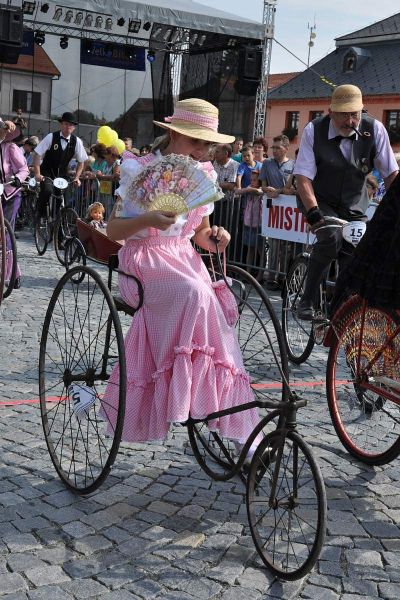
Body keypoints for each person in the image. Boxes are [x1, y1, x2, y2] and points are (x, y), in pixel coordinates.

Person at [102, 98, 261, 445]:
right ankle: (187, 394)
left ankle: (231, 417)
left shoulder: (203, 174)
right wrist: (146, 219)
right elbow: (113, 231)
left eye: (207, 144)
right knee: (196, 293)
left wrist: (216, 237)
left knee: (210, 306)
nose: (201, 151)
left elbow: (201, 233)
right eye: (194, 141)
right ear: (173, 134)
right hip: (144, 259)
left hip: (184, 259)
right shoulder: (138, 169)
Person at [294, 84, 398, 320]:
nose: (350, 121)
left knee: (356, 255)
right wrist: (313, 213)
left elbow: (391, 175)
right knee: (330, 238)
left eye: (355, 114)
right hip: (319, 199)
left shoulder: (375, 129)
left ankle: (340, 312)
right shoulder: (314, 129)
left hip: (354, 203)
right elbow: (303, 177)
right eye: (343, 115)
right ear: (331, 111)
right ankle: (307, 300)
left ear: (362, 110)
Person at [33, 111, 88, 219]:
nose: (68, 127)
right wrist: (37, 173)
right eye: (65, 124)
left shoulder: (77, 141)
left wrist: (77, 177)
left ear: (74, 127)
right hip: (47, 172)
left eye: (71, 125)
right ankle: (39, 212)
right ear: (61, 124)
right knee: (47, 191)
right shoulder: (51, 137)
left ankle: (56, 223)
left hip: (62, 174)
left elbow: (81, 161)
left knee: (62, 198)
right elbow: (37, 154)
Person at [260, 134, 296, 289]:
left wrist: (279, 191)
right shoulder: (267, 163)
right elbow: (262, 185)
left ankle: (284, 278)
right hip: (273, 211)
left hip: (289, 211)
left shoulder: (293, 165)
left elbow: (293, 188)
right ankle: (271, 278)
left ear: (286, 148)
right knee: (274, 245)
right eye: (273, 147)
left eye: (277, 147)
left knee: (287, 247)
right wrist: (266, 189)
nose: (274, 150)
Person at [0, 117, 29, 288]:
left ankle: (12, 273)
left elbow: (24, 169)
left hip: (9, 193)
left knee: (5, 231)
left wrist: (18, 178)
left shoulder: (10, 147)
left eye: (3, 130)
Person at [242, 169, 265, 281]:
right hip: (248, 223)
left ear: (260, 181)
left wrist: (244, 190)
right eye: (251, 180)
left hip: (259, 224)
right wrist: (244, 189)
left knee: (261, 250)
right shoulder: (249, 188)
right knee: (250, 249)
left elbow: (258, 192)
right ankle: (248, 273)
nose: (251, 182)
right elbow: (241, 191)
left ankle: (260, 275)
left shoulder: (261, 190)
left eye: (254, 180)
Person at [212, 143, 238, 229]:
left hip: (229, 203)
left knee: (226, 228)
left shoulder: (234, 165)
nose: (214, 154)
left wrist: (214, 184)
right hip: (215, 201)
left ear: (226, 153)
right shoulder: (215, 163)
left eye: (217, 152)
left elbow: (231, 185)